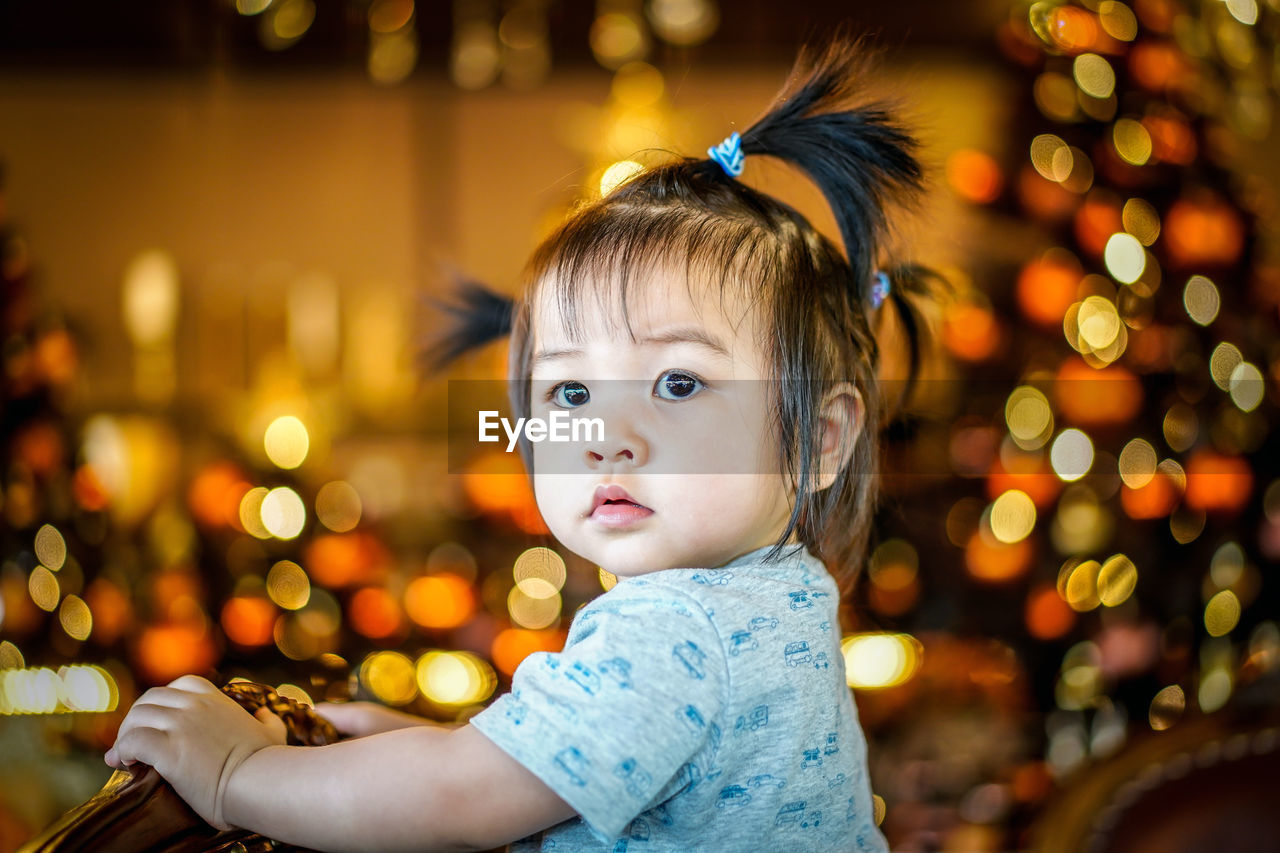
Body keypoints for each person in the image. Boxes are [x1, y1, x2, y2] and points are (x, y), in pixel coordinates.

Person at [105, 33, 938, 852]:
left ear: (821, 437)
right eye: (572, 391)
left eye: (678, 383)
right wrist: (404, 738)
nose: (608, 438)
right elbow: (563, 783)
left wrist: (233, 778)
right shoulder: (769, 595)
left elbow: (461, 800)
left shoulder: (680, 626)